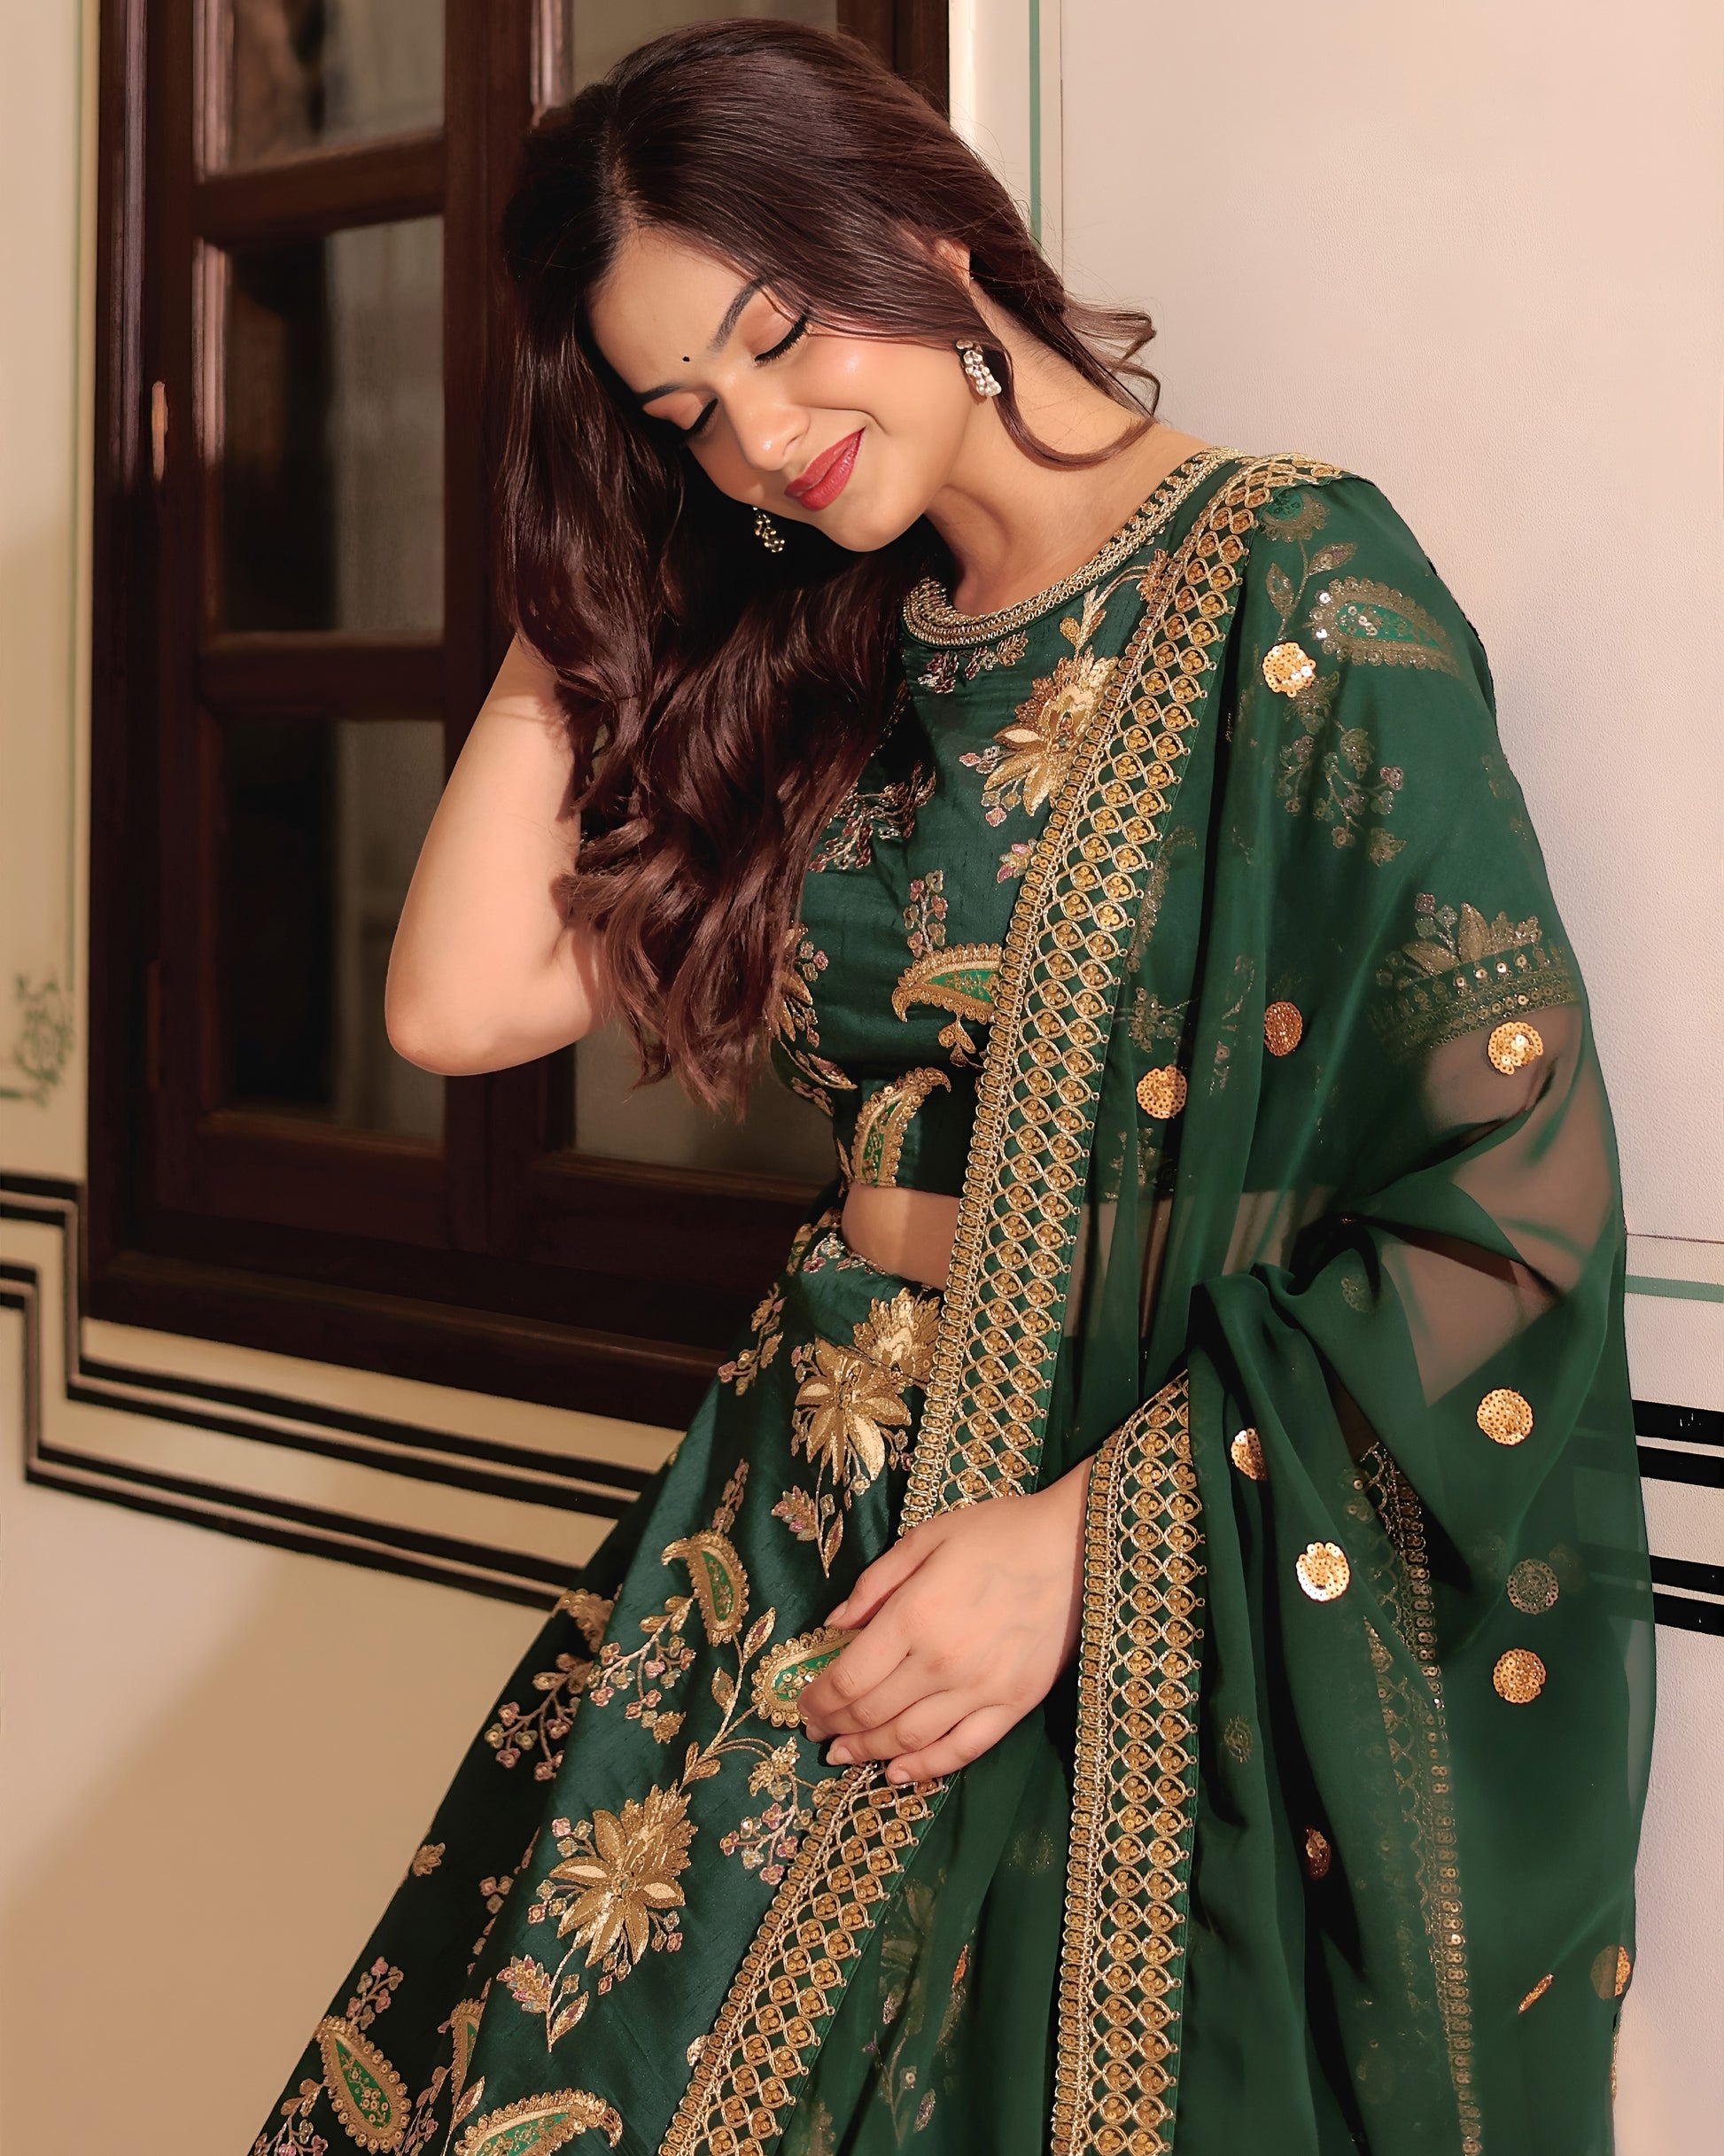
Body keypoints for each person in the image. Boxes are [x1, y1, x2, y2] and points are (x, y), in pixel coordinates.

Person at [253, 22, 1651, 2156]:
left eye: (776, 335)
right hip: (803, 1516)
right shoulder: (825, 645)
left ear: (916, 228)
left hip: (1116, 1535)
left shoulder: (1295, 583)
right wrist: (591, 573)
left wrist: (1086, 1542)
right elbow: (454, 1004)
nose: (760, 439)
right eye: (683, 413)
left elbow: (1503, 1187)